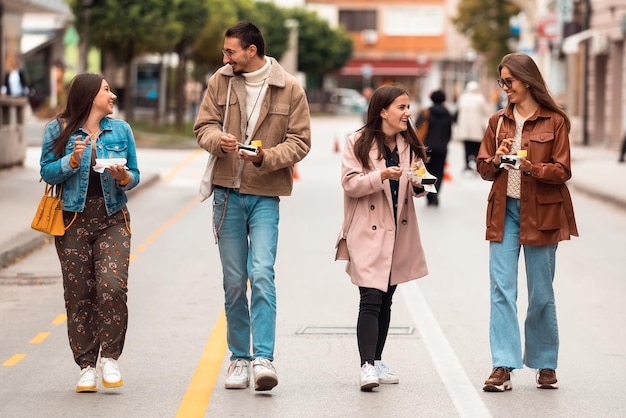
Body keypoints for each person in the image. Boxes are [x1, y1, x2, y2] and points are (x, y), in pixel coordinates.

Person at [194, 21, 311, 392]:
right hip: (226, 193)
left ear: (252, 51)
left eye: (230, 51)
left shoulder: (289, 87)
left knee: (261, 273)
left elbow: (301, 141)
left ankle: (264, 359)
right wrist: (218, 140)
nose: (224, 57)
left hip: (265, 194)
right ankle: (239, 359)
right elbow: (203, 127)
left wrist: (265, 157)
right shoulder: (221, 81)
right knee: (233, 282)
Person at [476, 53, 578, 392]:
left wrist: (530, 166)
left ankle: (545, 362)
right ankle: (503, 365)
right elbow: (484, 169)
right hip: (504, 212)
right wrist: (496, 157)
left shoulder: (555, 121)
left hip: (543, 213)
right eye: (501, 82)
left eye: (509, 81)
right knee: (501, 291)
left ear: (527, 80)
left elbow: (563, 170)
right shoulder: (497, 121)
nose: (505, 88)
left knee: (542, 294)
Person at [39, 73, 140, 393]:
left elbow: (135, 174)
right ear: (89, 95)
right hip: (72, 223)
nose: (112, 96)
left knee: (112, 287)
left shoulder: (120, 129)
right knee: (79, 294)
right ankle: (86, 365)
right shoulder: (57, 129)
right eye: (107, 90)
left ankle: (109, 357)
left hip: (112, 219)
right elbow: (46, 170)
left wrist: (123, 176)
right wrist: (71, 160)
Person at [339, 85, 429, 391]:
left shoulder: (409, 144)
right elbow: (350, 185)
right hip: (367, 230)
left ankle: (376, 361)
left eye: (408, 107)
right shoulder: (357, 143)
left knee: (387, 297)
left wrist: (420, 184)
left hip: (397, 230)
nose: (407, 113)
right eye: (401, 107)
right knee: (371, 297)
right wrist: (382, 176)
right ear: (383, 111)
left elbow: (418, 180)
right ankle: (366, 365)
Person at [416, 89, 455, 206]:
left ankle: (429, 194)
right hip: (442, 147)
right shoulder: (448, 113)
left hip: (427, 147)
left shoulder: (426, 112)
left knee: (427, 171)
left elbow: (418, 127)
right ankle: (435, 192)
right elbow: (449, 132)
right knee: (439, 171)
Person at [456, 81, 491, 172]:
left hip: (464, 130)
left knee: (466, 148)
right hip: (477, 130)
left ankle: (467, 165)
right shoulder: (480, 99)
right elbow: (487, 111)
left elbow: (457, 110)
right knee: (477, 149)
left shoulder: (463, 98)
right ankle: (475, 164)